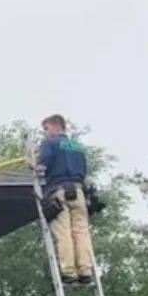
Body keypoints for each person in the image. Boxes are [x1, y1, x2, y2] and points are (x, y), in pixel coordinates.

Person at [36, 114, 93, 285]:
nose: (45, 133)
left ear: (55, 126)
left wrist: (32, 163)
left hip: (58, 192)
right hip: (78, 192)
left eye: (46, 128)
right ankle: (85, 270)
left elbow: (41, 169)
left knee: (64, 233)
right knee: (81, 233)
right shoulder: (78, 147)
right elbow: (84, 170)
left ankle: (69, 272)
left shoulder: (50, 143)